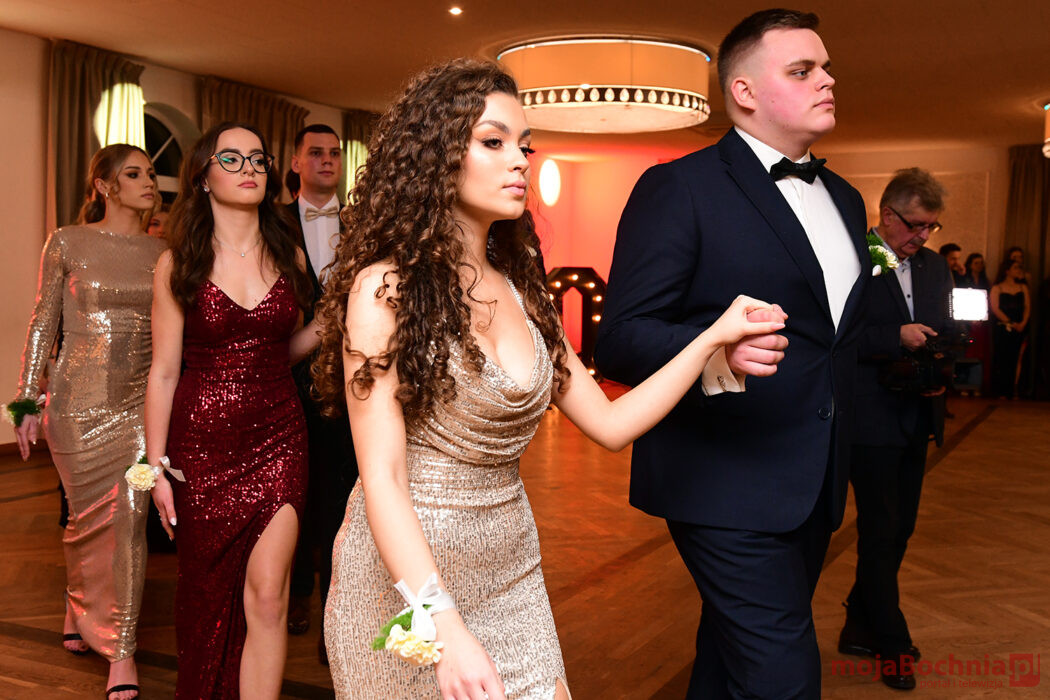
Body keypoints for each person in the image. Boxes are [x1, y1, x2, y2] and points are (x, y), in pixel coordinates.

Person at [312, 58, 785, 700]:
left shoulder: (524, 289)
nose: (520, 161)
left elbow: (612, 425)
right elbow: (384, 479)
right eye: (493, 142)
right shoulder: (384, 290)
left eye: (524, 146)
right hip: (405, 582)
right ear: (435, 156)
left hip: (510, 569)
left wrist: (711, 340)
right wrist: (442, 624)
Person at [593, 9, 870, 698]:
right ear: (743, 91)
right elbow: (620, 338)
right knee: (784, 679)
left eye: (826, 67)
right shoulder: (680, 187)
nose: (827, 80)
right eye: (802, 70)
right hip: (722, 481)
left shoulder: (845, 198)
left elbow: (832, 341)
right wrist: (717, 350)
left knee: (728, 663)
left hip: (815, 480)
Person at [144, 122, 320, 699]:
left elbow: (280, 351)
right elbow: (163, 372)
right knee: (207, 593)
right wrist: (155, 467)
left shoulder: (290, 256)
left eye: (258, 158)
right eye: (232, 158)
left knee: (269, 593)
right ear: (203, 176)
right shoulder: (179, 263)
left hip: (279, 437)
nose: (249, 167)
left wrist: (332, 323)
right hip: (202, 447)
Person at [10, 144, 165, 700]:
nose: (149, 182)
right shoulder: (67, 242)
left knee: (130, 515)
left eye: (151, 173)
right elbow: (42, 321)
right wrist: (27, 400)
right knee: (82, 519)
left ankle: (121, 651)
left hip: (140, 409)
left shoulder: (162, 252)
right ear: (104, 185)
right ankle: (78, 603)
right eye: (134, 173)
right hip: (75, 408)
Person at [839, 168, 954, 690]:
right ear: (887, 215)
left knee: (899, 529)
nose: (923, 236)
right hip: (871, 417)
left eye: (931, 227)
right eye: (915, 226)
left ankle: (858, 625)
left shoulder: (934, 266)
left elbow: (943, 329)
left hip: (917, 413)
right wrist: (896, 338)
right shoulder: (857, 257)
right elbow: (839, 338)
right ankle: (892, 641)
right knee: (881, 530)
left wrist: (941, 366)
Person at [284, 124, 358, 660]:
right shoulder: (273, 224)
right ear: (296, 162)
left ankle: (336, 613)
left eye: (334, 153)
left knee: (342, 497)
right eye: (316, 152)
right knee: (294, 494)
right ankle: (294, 593)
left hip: (352, 380)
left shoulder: (362, 223)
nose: (327, 160)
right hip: (289, 379)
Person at [989, 258, 1031, 399]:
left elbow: (1027, 307)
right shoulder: (997, 288)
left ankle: (1014, 388)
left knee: (1018, 357)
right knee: (1003, 357)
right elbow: (995, 308)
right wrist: (1010, 322)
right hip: (1004, 327)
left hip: (1020, 326)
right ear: (1007, 271)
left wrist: (1022, 323)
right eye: (1015, 268)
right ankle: (1002, 389)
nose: (1018, 270)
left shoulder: (1023, 287)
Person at [960, 252, 992, 393]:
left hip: (981, 322)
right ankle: (964, 384)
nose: (979, 266)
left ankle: (977, 384)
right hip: (966, 322)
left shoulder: (985, 281)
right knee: (967, 352)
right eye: (976, 263)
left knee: (980, 353)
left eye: (981, 263)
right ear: (970, 264)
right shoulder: (964, 279)